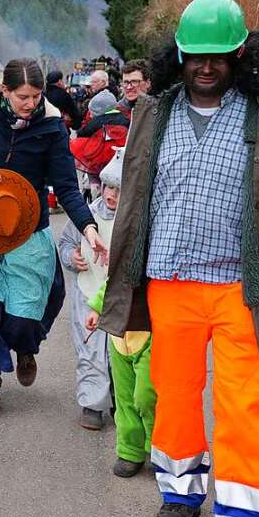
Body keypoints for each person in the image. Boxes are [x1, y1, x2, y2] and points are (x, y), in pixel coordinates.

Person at [96, 0, 259, 517]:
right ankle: (180, 490)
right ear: (178, 55)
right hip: (169, 285)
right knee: (172, 396)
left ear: (241, 55)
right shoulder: (153, 112)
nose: (205, 66)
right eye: (195, 55)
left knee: (244, 410)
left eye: (218, 56)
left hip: (243, 291)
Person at [0, 58, 107, 424]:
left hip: (28, 231)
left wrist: (88, 228)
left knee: (22, 319)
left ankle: (24, 347)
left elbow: (67, 187)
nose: (30, 103)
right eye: (23, 96)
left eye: (36, 96)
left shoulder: (51, 126)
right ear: (5, 90)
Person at [81, 149, 157, 476]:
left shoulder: (155, 238)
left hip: (149, 333)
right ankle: (129, 450)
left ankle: (158, 449)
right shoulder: (121, 244)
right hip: (119, 334)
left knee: (147, 397)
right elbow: (112, 282)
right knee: (124, 399)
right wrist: (98, 310)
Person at [57, 150, 120, 431]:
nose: (112, 195)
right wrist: (72, 257)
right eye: (109, 187)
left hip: (119, 297)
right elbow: (66, 243)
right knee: (90, 349)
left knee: (120, 350)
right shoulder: (86, 215)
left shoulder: (133, 220)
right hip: (87, 291)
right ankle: (92, 403)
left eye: (119, 190)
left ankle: (121, 400)